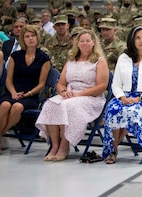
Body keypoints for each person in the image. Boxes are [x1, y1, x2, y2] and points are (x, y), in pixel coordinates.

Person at [36, 29, 109, 161]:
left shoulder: (99, 61)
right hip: (70, 94)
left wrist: (79, 94)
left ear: (93, 43)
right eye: (82, 41)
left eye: (88, 40)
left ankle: (65, 145)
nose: (85, 43)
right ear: (77, 43)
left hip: (91, 97)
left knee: (67, 106)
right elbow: (61, 83)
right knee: (50, 104)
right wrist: (64, 91)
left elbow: (101, 87)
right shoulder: (71, 60)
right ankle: (55, 145)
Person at [102, 25, 142, 163]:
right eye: (137, 38)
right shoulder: (123, 58)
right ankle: (113, 149)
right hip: (124, 96)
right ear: (132, 40)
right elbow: (116, 84)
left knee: (133, 112)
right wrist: (122, 97)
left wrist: (139, 99)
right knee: (113, 109)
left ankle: (113, 148)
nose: (141, 41)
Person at [0, 24, 51, 156]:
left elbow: (41, 84)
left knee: (17, 107)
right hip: (13, 91)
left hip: (31, 95)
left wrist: (27, 94)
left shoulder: (44, 58)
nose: (30, 39)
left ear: (37, 37)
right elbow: (8, 79)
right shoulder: (15, 56)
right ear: (23, 39)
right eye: (27, 36)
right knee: (5, 105)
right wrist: (13, 93)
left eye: (33, 36)